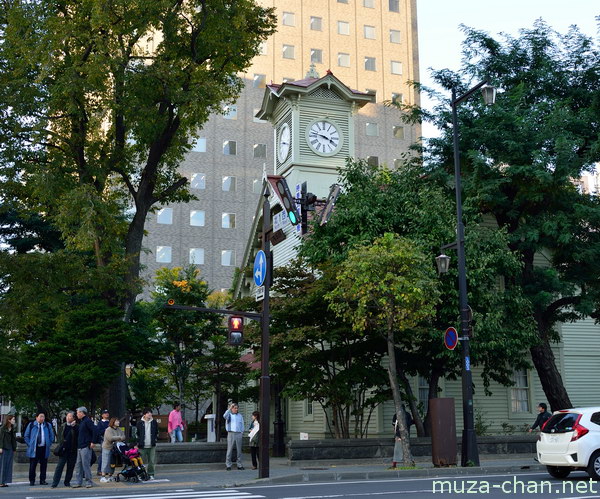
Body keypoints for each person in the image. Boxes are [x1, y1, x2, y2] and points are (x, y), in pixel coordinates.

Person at [24, 411, 55, 486]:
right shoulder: (31, 425)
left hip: (44, 448)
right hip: (34, 448)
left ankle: (42, 480)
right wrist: (30, 444)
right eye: (41, 416)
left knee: (44, 465)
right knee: (32, 465)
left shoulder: (47, 425)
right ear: (36, 417)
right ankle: (32, 480)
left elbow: (52, 436)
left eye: (43, 417)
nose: (42, 418)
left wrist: (49, 443)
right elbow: (26, 436)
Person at [51, 411, 79, 488]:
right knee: (59, 467)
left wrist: (74, 427)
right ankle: (55, 482)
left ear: (73, 418)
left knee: (70, 467)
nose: (68, 417)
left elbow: (78, 436)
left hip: (72, 450)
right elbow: (60, 437)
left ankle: (67, 482)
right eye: (67, 416)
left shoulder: (76, 426)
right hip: (63, 450)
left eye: (70, 416)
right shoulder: (63, 426)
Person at [71, 407, 95, 488]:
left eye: (78, 413)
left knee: (85, 465)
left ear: (82, 413)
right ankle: (78, 481)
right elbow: (82, 432)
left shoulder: (87, 421)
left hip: (85, 446)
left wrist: (93, 442)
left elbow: (94, 431)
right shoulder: (82, 422)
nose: (77, 414)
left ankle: (89, 481)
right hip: (80, 446)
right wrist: (75, 426)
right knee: (78, 465)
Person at [100, 417, 125, 482]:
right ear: (113, 422)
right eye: (117, 421)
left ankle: (110, 476)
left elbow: (124, 437)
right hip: (107, 447)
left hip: (115, 449)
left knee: (112, 463)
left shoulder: (119, 429)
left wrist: (118, 438)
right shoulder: (108, 429)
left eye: (118, 421)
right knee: (105, 462)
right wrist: (119, 437)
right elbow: (110, 438)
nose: (118, 422)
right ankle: (103, 477)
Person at [136, 408, 158, 480]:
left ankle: (151, 474)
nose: (150, 414)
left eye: (150, 413)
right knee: (141, 461)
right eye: (148, 413)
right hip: (142, 445)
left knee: (151, 461)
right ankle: (141, 474)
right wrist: (137, 443)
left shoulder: (154, 422)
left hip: (151, 445)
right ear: (144, 414)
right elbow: (137, 434)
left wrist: (155, 439)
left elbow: (156, 432)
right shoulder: (140, 423)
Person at [223, 402, 244, 471]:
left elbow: (242, 424)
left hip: (238, 433)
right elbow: (224, 416)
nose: (236, 409)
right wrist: (229, 408)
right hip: (231, 433)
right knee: (229, 450)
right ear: (232, 408)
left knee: (239, 450)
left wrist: (242, 432)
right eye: (235, 408)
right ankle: (228, 465)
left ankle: (239, 464)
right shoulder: (229, 415)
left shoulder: (240, 415)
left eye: (237, 408)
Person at [0, 415, 17, 487]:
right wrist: (0, 447)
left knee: (8, 465)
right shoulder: (2, 428)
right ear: (9, 420)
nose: (14, 420)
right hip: (4, 448)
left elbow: (13, 439)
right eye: (13, 419)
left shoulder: (12, 428)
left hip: (10, 448)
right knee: (3, 465)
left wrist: (14, 448)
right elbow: (1, 439)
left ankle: (5, 481)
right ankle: (1, 482)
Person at [95, 409, 110, 476]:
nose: (107, 414)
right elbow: (98, 432)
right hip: (103, 440)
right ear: (102, 415)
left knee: (109, 455)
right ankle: (100, 470)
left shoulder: (110, 422)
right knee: (102, 455)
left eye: (107, 413)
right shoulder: (100, 423)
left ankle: (106, 469)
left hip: (110, 440)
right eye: (105, 413)